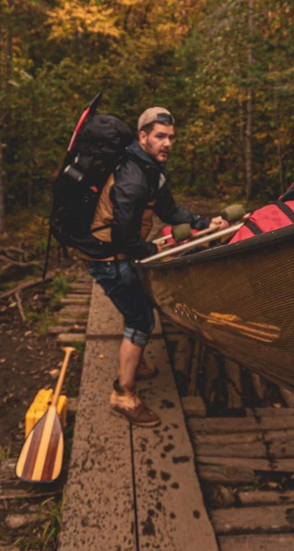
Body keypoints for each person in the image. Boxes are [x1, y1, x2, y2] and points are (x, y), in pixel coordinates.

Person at [83, 107, 228, 426]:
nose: (167, 143)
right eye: (160, 136)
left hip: (120, 252)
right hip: (109, 258)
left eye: (171, 137)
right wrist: (149, 249)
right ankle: (123, 394)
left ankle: (134, 362)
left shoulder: (152, 170)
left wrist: (204, 222)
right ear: (143, 137)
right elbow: (123, 238)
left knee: (137, 305)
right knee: (141, 319)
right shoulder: (133, 178)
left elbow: (169, 209)